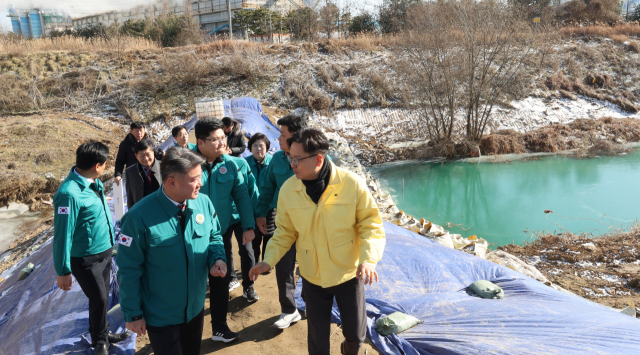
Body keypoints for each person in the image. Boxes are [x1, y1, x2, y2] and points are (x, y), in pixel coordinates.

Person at [250, 128, 386, 355]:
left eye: (297, 159)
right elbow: (284, 232)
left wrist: (369, 260)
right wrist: (268, 260)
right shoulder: (288, 189)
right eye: (289, 157)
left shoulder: (351, 184)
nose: (291, 164)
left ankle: (348, 348)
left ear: (319, 159)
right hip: (313, 276)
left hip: (348, 274)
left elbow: (371, 225)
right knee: (317, 340)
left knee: (356, 335)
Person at [116, 147, 227, 355]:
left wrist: (217, 258)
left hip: (194, 309)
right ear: (172, 182)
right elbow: (128, 269)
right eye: (195, 179)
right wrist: (133, 313)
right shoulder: (138, 217)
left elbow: (214, 236)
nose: (201, 183)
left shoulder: (203, 203)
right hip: (161, 314)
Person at [53, 142, 129, 355]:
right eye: (105, 164)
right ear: (97, 166)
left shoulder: (92, 182)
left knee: (102, 296)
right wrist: (63, 270)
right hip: (85, 258)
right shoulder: (69, 194)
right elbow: (62, 235)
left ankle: (100, 333)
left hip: (103, 252)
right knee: (100, 298)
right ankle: (100, 341)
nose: (106, 167)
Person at [192, 118, 256, 342]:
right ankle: (184, 330)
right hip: (190, 235)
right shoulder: (188, 164)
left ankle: (219, 327)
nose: (221, 143)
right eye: (215, 139)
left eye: (223, 138)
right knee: (193, 281)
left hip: (219, 232)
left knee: (221, 276)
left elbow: (241, 194)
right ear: (200, 142)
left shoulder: (230, 164)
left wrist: (248, 226)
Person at [253, 113, 309, 329]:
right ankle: (289, 309)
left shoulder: (315, 158)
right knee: (283, 267)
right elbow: (267, 188)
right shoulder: (277, 159)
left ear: (296, 136)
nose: (277, 139)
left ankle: (310, 304)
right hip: (284, 222)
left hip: (310, 223)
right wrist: (260, 213)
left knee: (309, 265)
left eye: (282, 135)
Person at [224, 154, 259, 300]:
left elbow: (252, 189)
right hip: (221, 217)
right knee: (224, 251)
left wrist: (256, 215)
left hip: (241, 216)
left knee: (247, 251)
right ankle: (231, 278)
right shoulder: (209, 165)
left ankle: (249, 287)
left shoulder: (241, 163)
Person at [245, 133, 273, 263]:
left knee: (269, 234)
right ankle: (254, 262)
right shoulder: (245, 164)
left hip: (270, 206)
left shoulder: (273, 162)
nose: (258, 149)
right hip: (252, 207)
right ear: (250, 148)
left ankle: (267, 261)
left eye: (261, 145)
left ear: (266, 147)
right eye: (254, 146)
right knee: (255, 237)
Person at [114, 122, 161, 186]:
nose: (139, 133)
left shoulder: (149, 141)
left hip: (150, 173)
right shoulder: (125, 144)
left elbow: (155, 154)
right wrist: (118, 175)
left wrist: (160, 155)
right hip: (134, 174)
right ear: (131, 131)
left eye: (141, 131)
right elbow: (120, 161)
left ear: (144, 130)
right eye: (136, 131)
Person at [125, 138, 162, 209]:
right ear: (136, 156)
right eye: (142, 155)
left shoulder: (164, 167)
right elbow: (130, 198)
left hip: (163, 211)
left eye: (148, 154)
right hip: (142, 213)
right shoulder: (130, 172)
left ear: (153, 152)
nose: (146, 158)